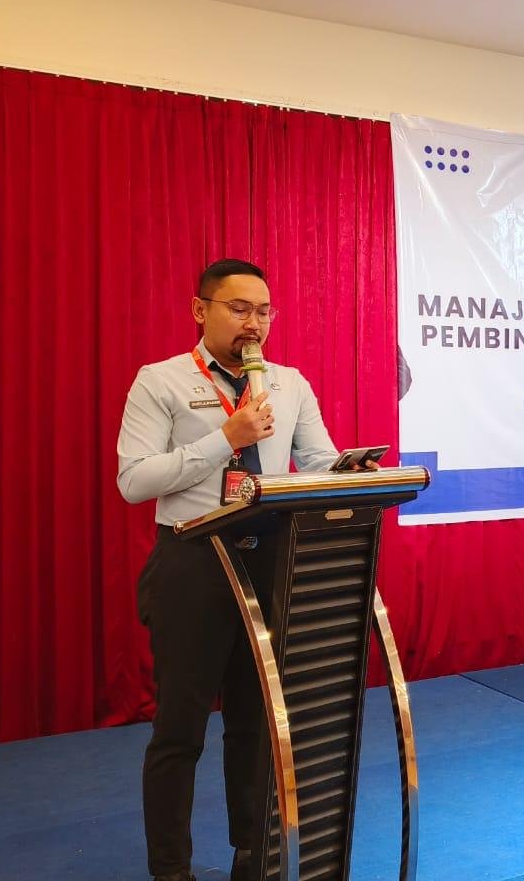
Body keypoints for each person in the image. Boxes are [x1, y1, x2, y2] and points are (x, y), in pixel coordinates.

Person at [118, 259, 359, 881]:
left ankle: (253, 856)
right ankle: (171, 868)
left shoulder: (288, 383)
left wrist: (350, 471)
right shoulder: (161, 381)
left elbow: (319, 460)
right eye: (239, 309)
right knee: (180, 730)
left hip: (270, 561)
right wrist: (225, 437)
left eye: (264, 311)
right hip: (193, 562)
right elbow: (134, 481)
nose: (254, 323)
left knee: (257, 724)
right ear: (201, 311)